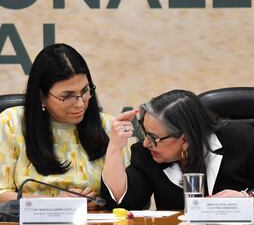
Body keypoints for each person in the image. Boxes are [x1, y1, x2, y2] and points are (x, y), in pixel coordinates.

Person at [0, 43, 131, 209]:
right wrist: (54, 203)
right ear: (42, 96)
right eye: (67, 96)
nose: (80, 103)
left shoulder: (109, 126)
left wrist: (99, 203)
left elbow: (126, 200)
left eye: (85, 91)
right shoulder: (12, 123)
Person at [103, 89, 254, 210]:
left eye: (154, 138)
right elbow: (122, 204)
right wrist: (115, 147)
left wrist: (247, 198)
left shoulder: (243, 139)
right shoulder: (147, 155)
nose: (146, 143)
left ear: (185, 139)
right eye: (145, 133)